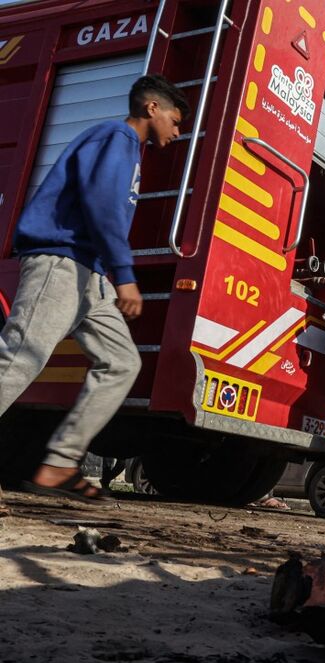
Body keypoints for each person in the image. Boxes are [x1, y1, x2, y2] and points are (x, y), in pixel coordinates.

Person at [0, 75, 187, 502]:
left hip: (91, 274)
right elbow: (100, 204)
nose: (177, 132)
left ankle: (60, 465)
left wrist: (108, 272)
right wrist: (125, 274)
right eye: (175, 121)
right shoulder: (115, 137)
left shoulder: (129, 150)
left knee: (121, 362)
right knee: (19, 358)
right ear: (151, 109)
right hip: (62, 261)